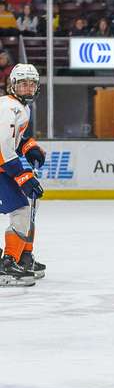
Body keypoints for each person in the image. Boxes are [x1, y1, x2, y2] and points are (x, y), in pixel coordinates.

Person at [0, 64, 45, 286]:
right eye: (22, 84)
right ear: (13, 85)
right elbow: (2, 146)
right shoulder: (8, 107)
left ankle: (20, 257)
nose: (27, 88)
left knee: (22, 210)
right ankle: (8, 263)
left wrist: (30, 147)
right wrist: (23, 177)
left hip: (3, 167)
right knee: (21, 210)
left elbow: (17, 139)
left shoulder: (21, 107)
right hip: (2, 167)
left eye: (31, 84)